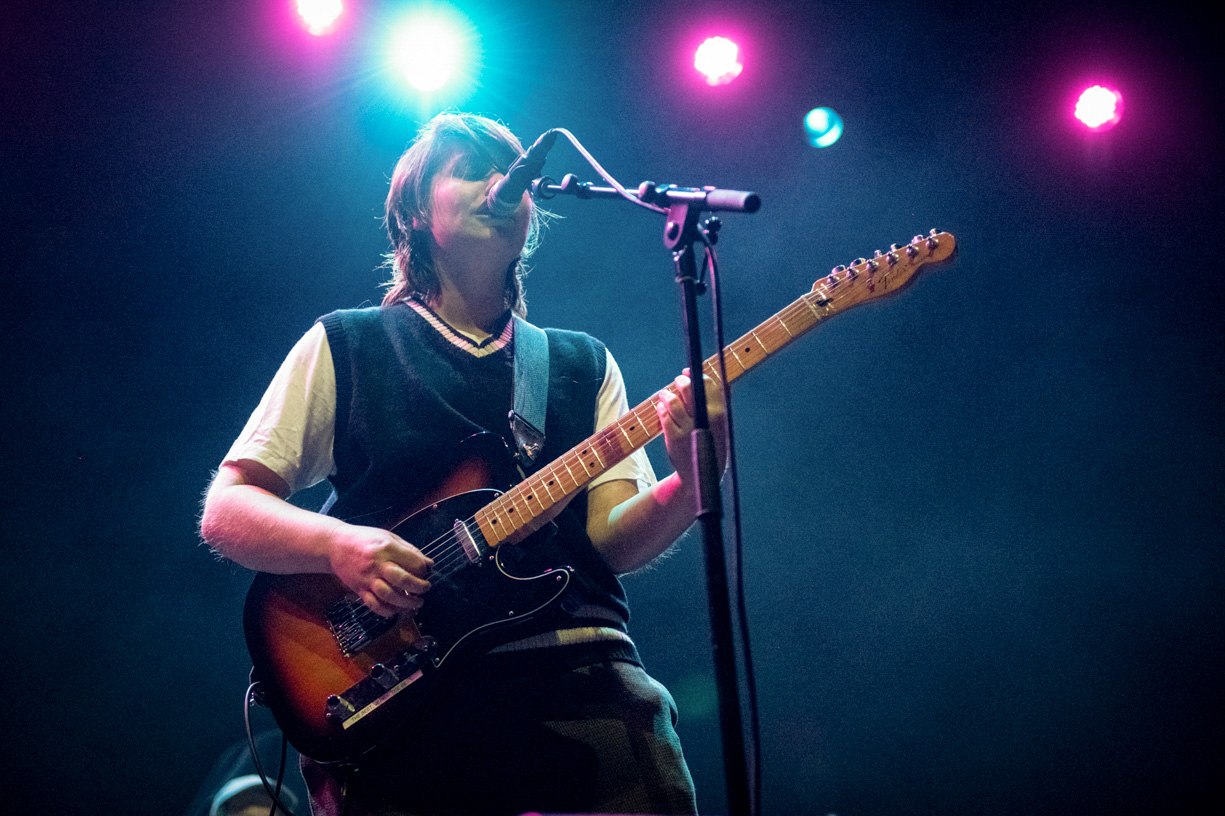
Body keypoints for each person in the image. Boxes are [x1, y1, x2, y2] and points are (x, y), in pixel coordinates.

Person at [200, 112, 726, 816]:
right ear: (415, 213)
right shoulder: (347, 345)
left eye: (512, 174)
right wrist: (340, 546)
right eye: (470, 170)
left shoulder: (582, 362)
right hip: (408, 712)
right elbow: (228, 508)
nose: (500, 184)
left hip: (587, 683)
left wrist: (692, 478)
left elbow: (609, 544)